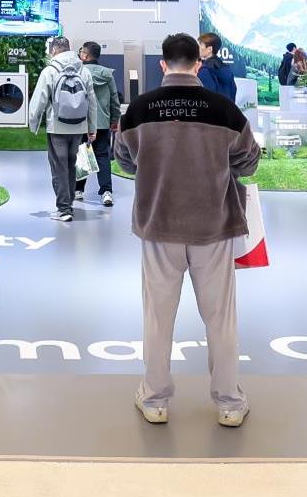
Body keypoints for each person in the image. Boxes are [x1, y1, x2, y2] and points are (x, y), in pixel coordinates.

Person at [114, 32, 261, 429]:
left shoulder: (138, 110)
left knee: (157, 318)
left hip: (158, 226)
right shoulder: (224, 110)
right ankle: (229, 403)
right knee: (220, 319)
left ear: (163, 64)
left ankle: (155, 400)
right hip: (214, 227)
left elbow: (124, 160)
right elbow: (248, 162)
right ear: (198, 63)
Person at [27, 35, 91, 222]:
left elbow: (39, 100)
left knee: (59, 166)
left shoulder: (50, 71)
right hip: (79, 126)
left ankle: (63, 209)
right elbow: (92, 101)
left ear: (54, 50)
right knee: (71, 164)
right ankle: (68, 203)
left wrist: (33, 123)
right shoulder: (84, 71)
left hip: (57, 126)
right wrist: (92, 127)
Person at [72, 41, 121, 208]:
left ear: (85, 56)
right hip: (102, 122)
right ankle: (106, 192)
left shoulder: (78, 73)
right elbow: (114, 99)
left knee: (83, 154)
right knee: (102, 156)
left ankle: (78, 190)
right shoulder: (107, 74)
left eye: (81, 52)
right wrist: (114, 120)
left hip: (82, 122)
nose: (79, 54)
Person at [198, 33, 236, 103]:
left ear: (209, 49)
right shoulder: (227, 69)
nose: (198, 48)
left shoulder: (204, 70)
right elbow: (233, 91)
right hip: (227, 108)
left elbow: (206, 97)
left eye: (200, 45)